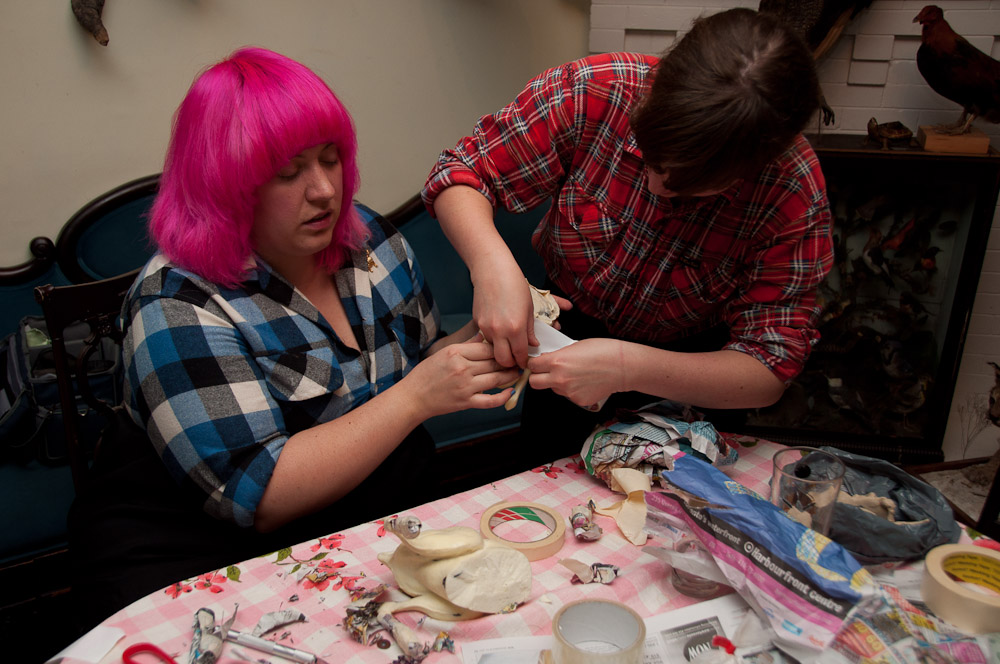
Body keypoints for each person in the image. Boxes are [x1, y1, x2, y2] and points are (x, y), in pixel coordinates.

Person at [68, 46, 518, 626]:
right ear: (227, 185)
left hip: (364, 509)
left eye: (331, 159)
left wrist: (495, 333)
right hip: (204, 548)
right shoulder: (175, 304)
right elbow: (256, 496)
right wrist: (416, 398)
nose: (325, 190)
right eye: (289, 172)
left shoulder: (372, 240)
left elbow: (426, 356)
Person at [421, 8, 834, 463]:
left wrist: (626, 367)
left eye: (690, 186)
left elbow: (769, 367)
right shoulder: (594, 90)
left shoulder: (792, 189)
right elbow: (462, 173)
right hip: (568, 330)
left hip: (695, 370)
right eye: (652, 160)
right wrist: (492, 268)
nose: (657, 186)